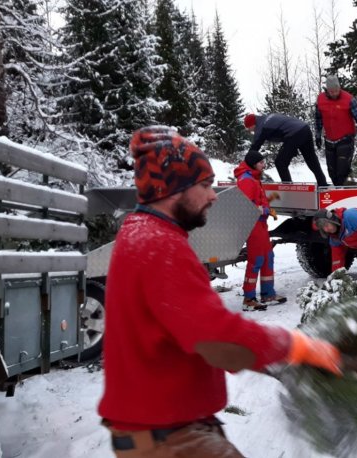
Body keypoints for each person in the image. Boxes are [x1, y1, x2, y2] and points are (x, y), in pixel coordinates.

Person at [99, 126, 341, 458]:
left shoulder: (139, 233)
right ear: (172, 190)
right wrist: (294, 347)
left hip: (163, 428)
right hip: (167, 438)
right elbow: (215, 336)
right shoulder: (160, 247)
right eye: (204, 186)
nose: (214, 196)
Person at [233, 151, 286, 311]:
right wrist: (265, 211)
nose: (264, 165)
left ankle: (268, 294)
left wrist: (268, 206)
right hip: (253, 226)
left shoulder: (253, 178)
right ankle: (248, 299)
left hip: (261, 225)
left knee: (268, 257)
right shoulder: (247, 180)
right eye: (261, 162)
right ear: (253, 163)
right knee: (256, 260)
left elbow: (257, 201)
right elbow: (245, 206)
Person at [243, 112, 329, 187]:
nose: (251, 131)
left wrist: (244, 165)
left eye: (249, 129)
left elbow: (254, 149)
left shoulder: (261, 126)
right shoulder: (266, 118)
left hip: (294, 134)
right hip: (304, 129)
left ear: (252, 125)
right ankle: (323, 184)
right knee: (311, 159)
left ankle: (288, 188)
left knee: (280, 162)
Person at [313, 75, 357, 186]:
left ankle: (343, 194)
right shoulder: (320, 100)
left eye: (336, 91)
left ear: (339, 88)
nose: (334, 93)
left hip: (345, 138)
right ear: (327, 90)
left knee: (342, 170)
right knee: (332, 171)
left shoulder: (348, 99)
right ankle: (339, 191)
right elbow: (318, 119)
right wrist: (318, 136)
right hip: (329, 140)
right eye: (331, 91)